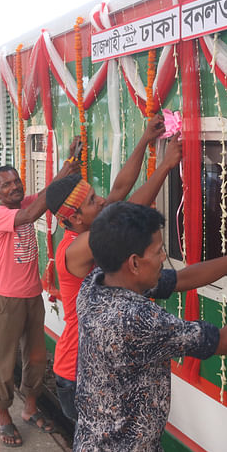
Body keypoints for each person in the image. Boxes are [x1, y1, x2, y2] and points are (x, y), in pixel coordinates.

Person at [73, 202, 227, 452]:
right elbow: (222, 341)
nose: (163, 259)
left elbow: (183, 278)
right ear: (134, 263)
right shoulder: (136, 320)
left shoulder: (97, 283)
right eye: (158, 252)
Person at [44, 114, 180, 422]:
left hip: (88, 367)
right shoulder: (77, 248)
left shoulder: (84, 229)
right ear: (76, 218)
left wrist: (146, 139)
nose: (102, 200)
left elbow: (119, 192)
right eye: (93, 200)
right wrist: (166, 166)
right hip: (77, 372)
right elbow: (126, 211)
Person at [0, 140, 80, 448]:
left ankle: (29, 409)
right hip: (6, 300)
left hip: (32, 297)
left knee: (37, 358)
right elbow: (34, 212)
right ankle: (3, 417)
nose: (14, 187)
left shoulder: (25, 202)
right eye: (6, 185)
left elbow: (45, 193)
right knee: (5, 361)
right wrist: (59, 186)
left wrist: (68, 164)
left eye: (16, 182)